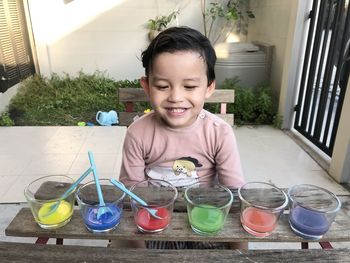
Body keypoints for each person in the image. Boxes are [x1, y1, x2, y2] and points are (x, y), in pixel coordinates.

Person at [118, 26, 246, 249]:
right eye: (162, 86)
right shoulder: (137, 133)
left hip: (204, 222)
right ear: (147, 86)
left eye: (189, 86)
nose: (176, 97)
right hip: (154, 224)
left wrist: (239, 254)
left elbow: (234, 198)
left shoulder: (219, 133)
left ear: (208, 87)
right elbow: (133, 197)